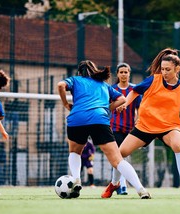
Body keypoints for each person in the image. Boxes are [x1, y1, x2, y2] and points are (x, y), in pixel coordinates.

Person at [102, 48, 180, 199]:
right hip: (145, 125)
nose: (164, 72)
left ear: (177, 69)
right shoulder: (154, 80)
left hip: (169, 127)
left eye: (168, 69)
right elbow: (135, 91)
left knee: (179, 146)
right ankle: (114, 183)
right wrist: (125, 104)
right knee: (120, 153)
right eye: (162, 69)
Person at [57, 60, 151, 199]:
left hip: (77, 118)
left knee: (75, 151)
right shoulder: (104, 85)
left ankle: (76, 180)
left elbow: (60, 85)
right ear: (95, 71)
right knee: (118, 160)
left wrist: (65, 103)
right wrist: (106, 109)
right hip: (99, 119)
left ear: (79, 72)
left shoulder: (75, 80)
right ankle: (141, 189)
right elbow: (122, 99)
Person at [110, 62, 142, 195]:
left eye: (126, 72)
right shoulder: (111, 89)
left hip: (130, 128)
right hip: (115, 127)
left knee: (121, 157)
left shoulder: (135, 90)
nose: (123, 74)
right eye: (121, 72)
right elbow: (108, 107)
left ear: (129, 73)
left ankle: (116, 184)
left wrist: (138, 121)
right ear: (117, 74)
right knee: (119, 156)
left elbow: (139, 108)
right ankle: (122, 186)